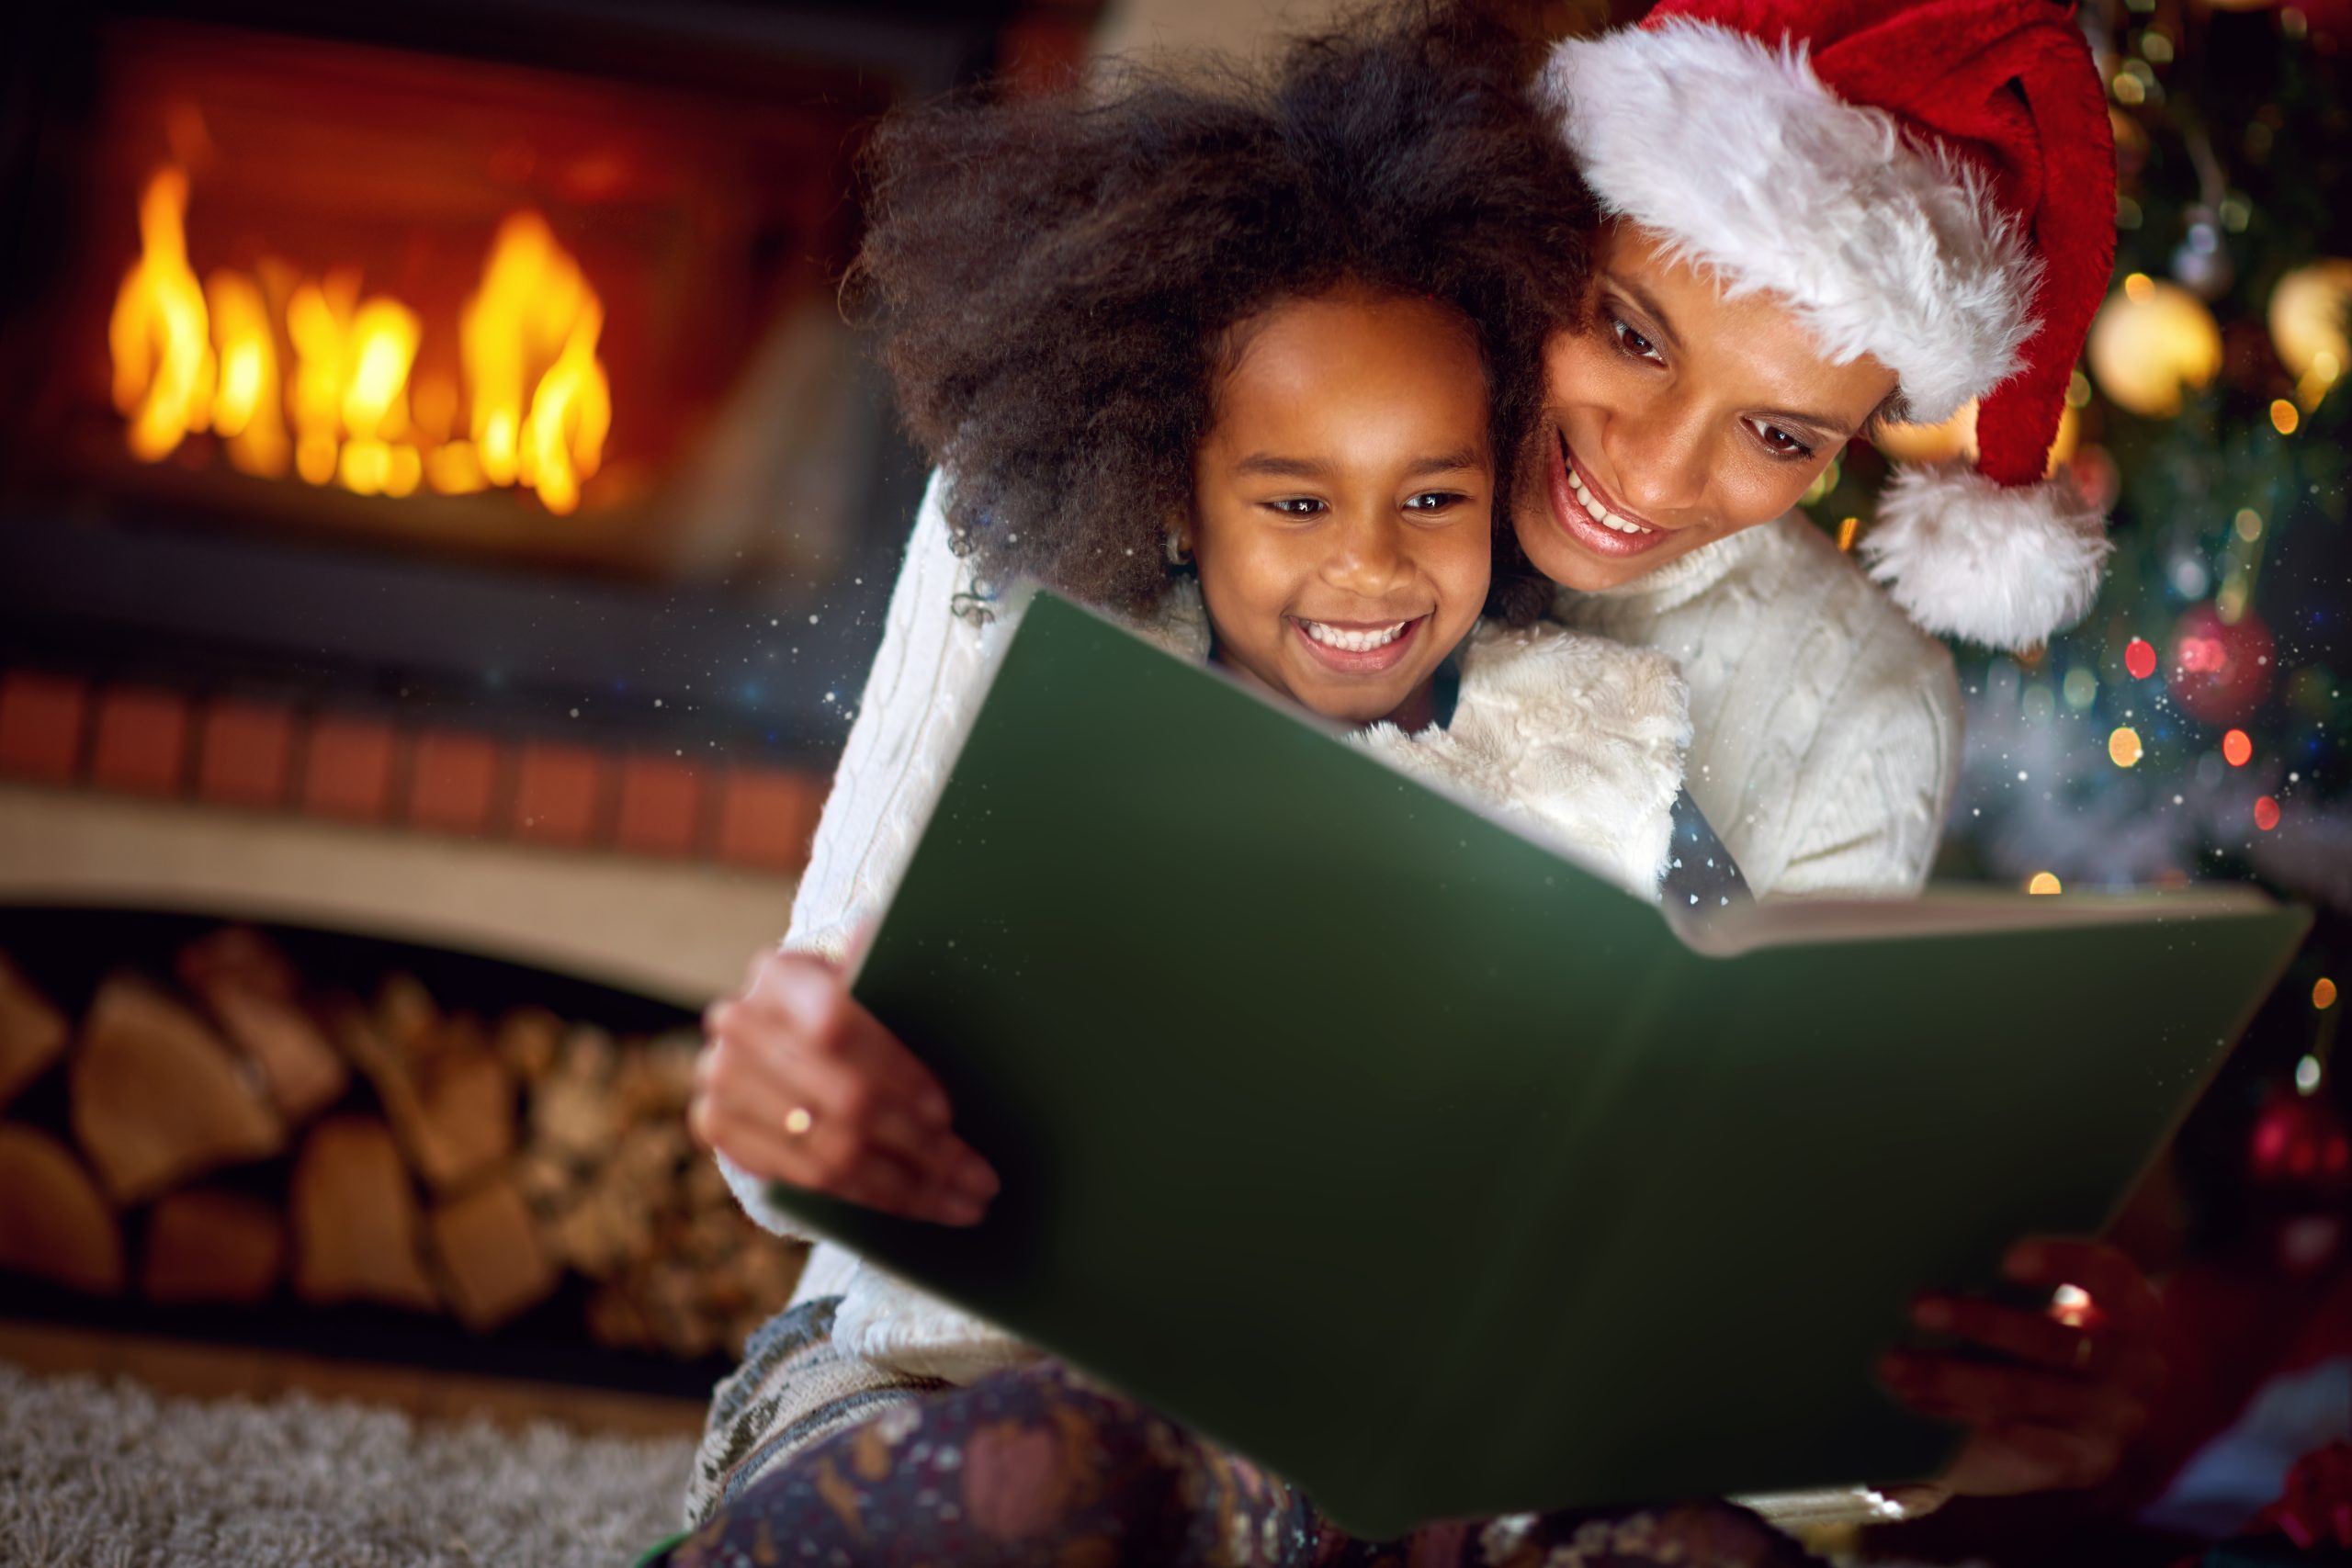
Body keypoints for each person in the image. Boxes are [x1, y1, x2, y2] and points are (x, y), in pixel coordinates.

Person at [685, 0, 2167, 1556]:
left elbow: (1741, 1377)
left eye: (1781, 434)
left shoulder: (1855, 705)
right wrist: (800, 1096)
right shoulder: (1088, 435)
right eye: (1631, 330)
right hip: (975, 1388)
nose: (1653, 475)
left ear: (1858, 446)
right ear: (1542, 217)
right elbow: (803, 1110)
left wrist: (1928, 1434)